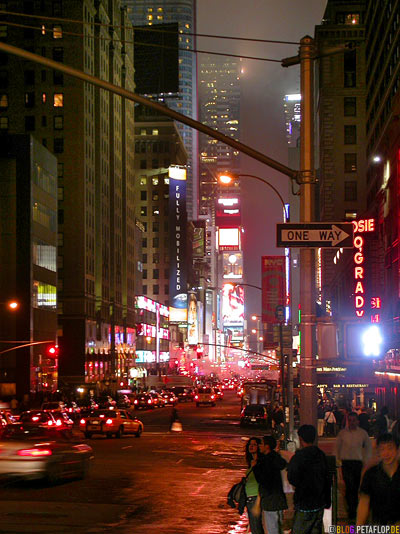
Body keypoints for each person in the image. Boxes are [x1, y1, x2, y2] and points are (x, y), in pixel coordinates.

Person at [287, 424, 331, 534]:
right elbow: (327, 478)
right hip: (319, 502)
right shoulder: (321, 455)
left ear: (301, 438)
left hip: (304, 502)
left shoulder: (299, 456)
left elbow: (292, 478)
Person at [357, 433, 400, 525]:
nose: (386, 453)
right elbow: (364, 503)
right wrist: (359, 527)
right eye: (382, 449)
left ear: (397, 450)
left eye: (390, 448)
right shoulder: (371, 474)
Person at [336, 411, 372, 520]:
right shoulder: (342, 433)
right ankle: (351, 509)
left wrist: (366, 462)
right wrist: (338, 463)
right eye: (350, 420)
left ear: (358, 421)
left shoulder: (363, 434)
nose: (352, 423)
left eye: (354, 420)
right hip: (346, 463)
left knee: (356, 486)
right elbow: (337, 449)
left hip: (357, 462)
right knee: (349, 486)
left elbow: (368, 448)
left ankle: (354, 508)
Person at [253, 435, 287, 534]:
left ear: (267, 446)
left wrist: (255, 467)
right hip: (278, 498)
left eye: (261, 444)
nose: (259, 446)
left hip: (269, 499)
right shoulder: (276, 458)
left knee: (273, 528)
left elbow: (262, 480)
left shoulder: (265, 461)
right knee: (279, 527)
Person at [244, 437, 263, 534]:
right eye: (250, 444)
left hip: (255, 497)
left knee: (256, 528)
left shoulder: (259, 462)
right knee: (255, 527)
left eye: (254, 444)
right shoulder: (251, 462)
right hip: (250, 497)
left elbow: (261, 480)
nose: (251, 446)